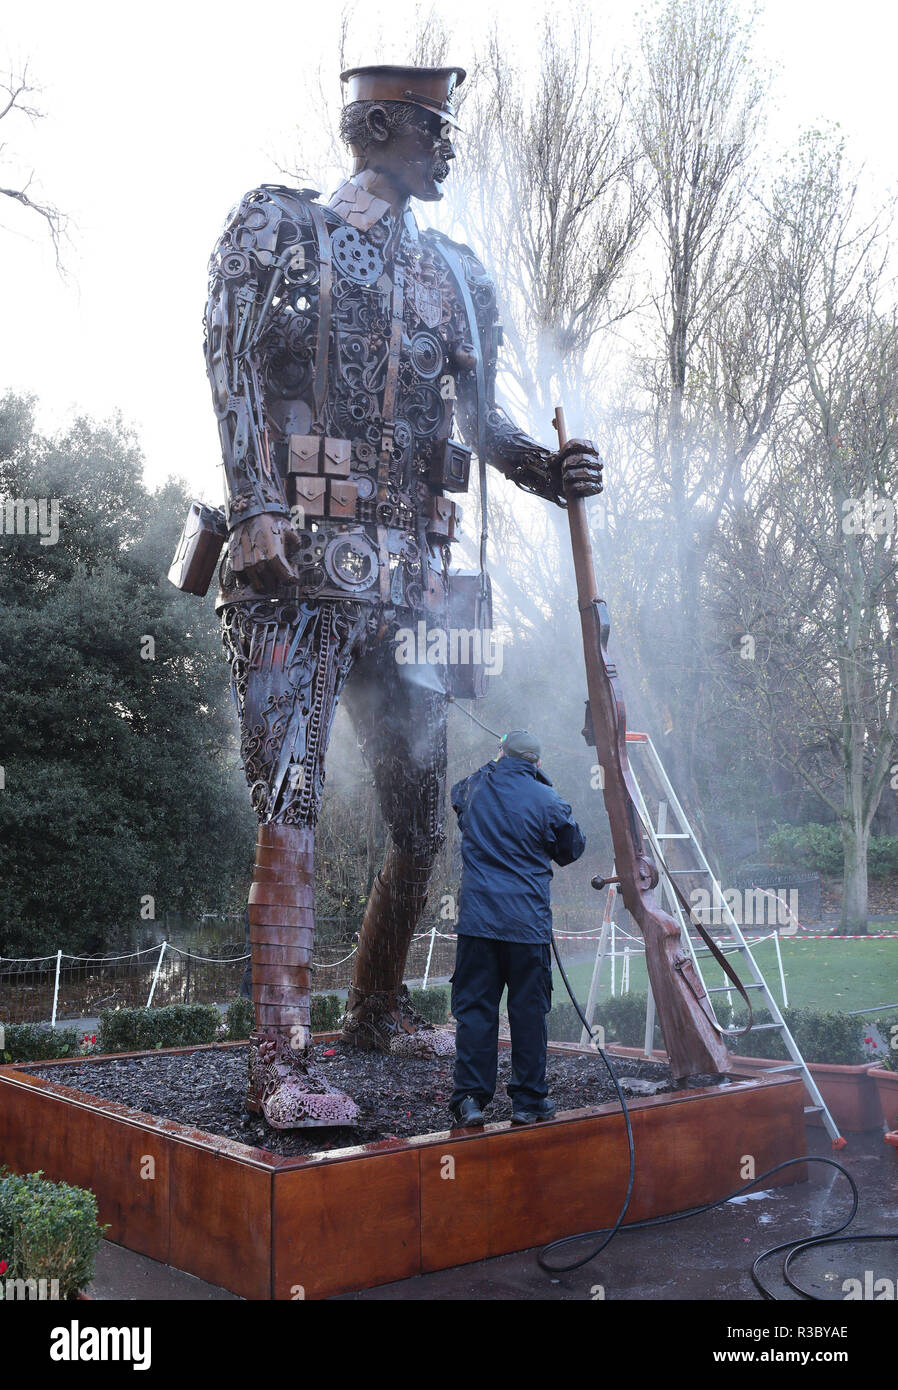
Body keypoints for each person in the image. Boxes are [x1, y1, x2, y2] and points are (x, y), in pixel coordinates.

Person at [201, 63, 603, 1129]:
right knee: (289, 807)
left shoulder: (458, 279)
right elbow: (231, 360)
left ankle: (373, 1011)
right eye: (433, 126)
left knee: (422, 823)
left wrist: (543, 467)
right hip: (294, 579)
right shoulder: (281, 228)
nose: (449, 146)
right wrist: (254, 510)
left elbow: (486, 422)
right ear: (375, 125)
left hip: (411, 591)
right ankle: (278, 1064)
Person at [449, 730, 586, 1126]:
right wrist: (541, 784)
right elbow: (571, 848)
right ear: (537, 763)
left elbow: (459, 799)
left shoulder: (475, 786)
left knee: (476, 1010)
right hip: (526, 927)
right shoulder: (547, 797)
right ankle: (528, 1102)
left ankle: (470, 1101)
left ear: (501, 754)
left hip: (478, 925)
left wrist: (494, 765)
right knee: (528, 1012)